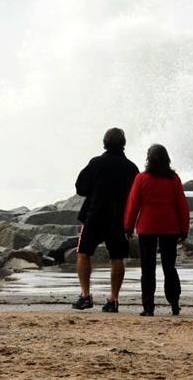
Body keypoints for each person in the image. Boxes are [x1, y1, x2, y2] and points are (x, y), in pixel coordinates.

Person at [72, 127, 139, 312]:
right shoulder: (131, 168)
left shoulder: (96, 163)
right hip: (119, 218)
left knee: (84, 253)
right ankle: (113, 299)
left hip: (95, 215)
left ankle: (85, 295)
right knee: (117, 257)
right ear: (123, 144)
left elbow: (81, 188)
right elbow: (136, 196)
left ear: (105, 143)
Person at [123, 143, 190, 316]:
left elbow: (133, 205)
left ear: (148, 159)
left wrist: (128, 227)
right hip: (170, 226)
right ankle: (174, 303)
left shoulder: (142, 178)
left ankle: (148, 307)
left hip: (147, 227)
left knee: (148, 268)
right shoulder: (174, 179)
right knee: (169, 267)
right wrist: (184, 230)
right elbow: (182, 206)